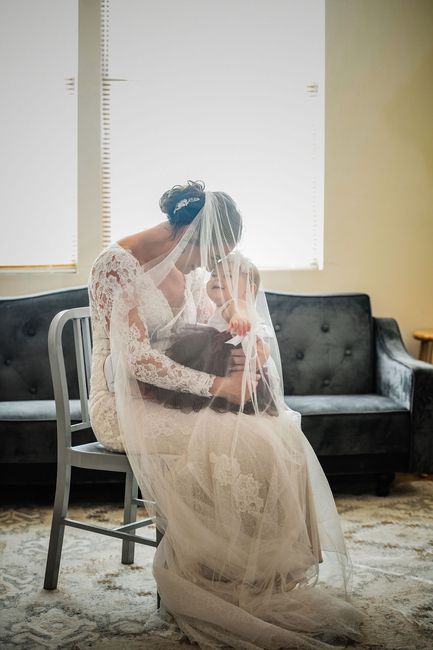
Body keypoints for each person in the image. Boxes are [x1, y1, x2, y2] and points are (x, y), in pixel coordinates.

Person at [88, 180, 365, 649]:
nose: (206, 268)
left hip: (176, 394)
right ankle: (212, 581)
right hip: (124, 403)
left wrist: (242, 347)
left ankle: (256, 581)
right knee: (240, 442)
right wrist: (220, 387)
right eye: (210, 253)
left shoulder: (191, 271)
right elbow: (136, 361)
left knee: (275, 431)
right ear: (188, 233)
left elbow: (203, 332)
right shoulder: (115, 266)